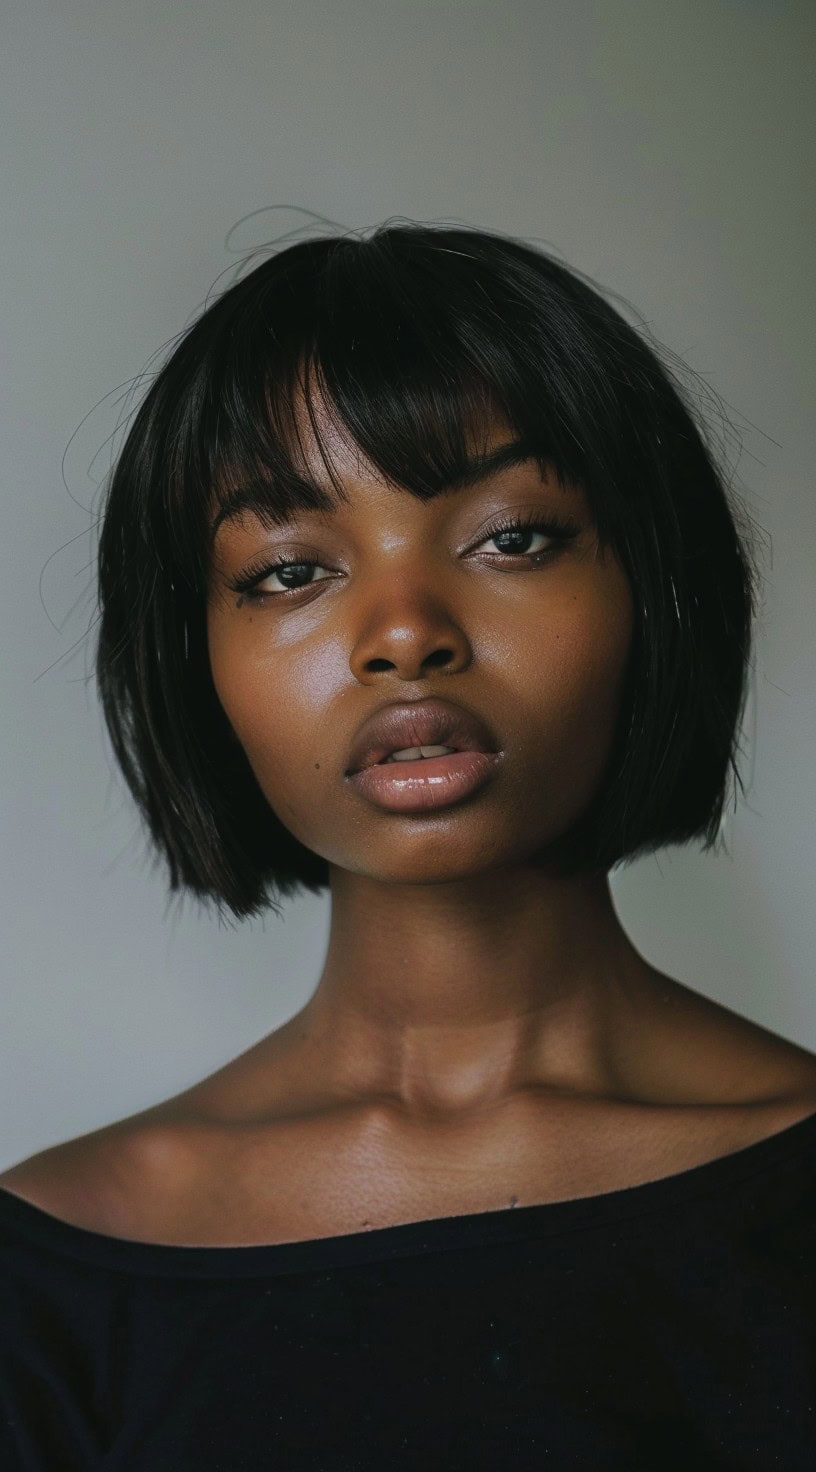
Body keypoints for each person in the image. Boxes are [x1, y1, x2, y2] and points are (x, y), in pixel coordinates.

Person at [2, 219, 815, 1470]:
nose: (404, 633)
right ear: (193, 660)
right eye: (286, 571)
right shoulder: (47, 1265)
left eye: (512, 536)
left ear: (655, 588)